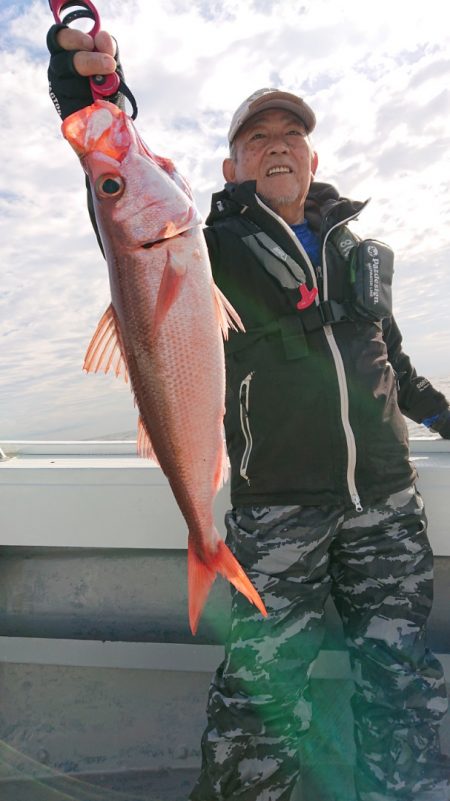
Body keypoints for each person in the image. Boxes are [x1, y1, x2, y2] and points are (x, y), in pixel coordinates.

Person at [47, 24, 450, 801]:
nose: (278, 146)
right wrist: (88, 98)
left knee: (402, 685)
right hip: (277, 515)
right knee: (258, 702)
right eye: (257, 137)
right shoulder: (212, 244)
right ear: (230, 166)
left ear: (313, 158)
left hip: (386, 507)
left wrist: (442, 414)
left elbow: (390, 362)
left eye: (292, 135)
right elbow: (124, 233)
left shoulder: (357, 249)